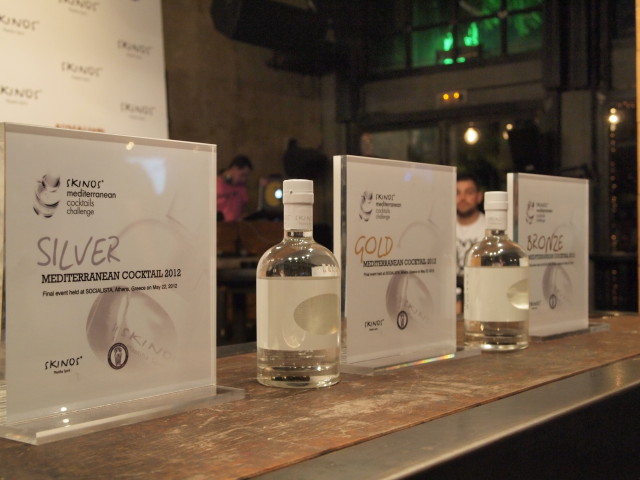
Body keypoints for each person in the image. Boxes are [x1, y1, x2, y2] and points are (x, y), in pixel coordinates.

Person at [456, 172, 486, 277]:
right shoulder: (443, 228)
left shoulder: (491, 229)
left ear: (479, 197)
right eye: (457, 193)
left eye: (469, 192)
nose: (462, 198)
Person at [217, 155, 253, 221]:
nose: (244, 180)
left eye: (246, 176)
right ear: (234, 169)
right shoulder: (215, 184)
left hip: (235, 225)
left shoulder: (242, 187)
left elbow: (244, 209)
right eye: (242, 175)